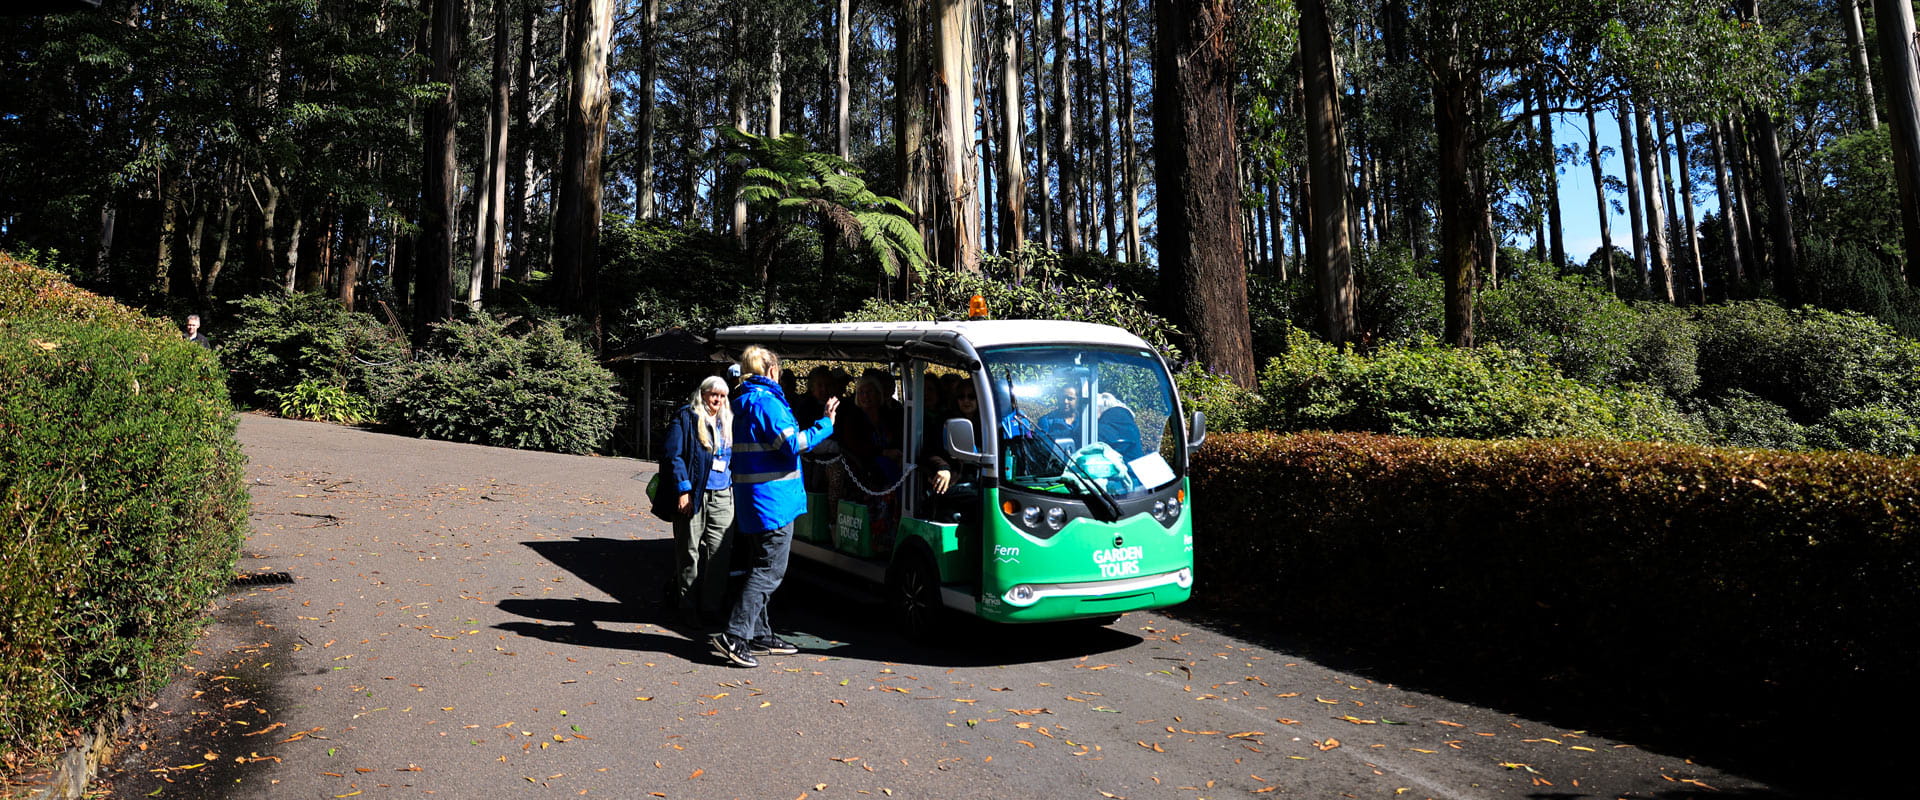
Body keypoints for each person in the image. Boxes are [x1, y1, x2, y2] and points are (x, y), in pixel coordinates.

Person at [712, 345, 837, 668]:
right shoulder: (767, 402)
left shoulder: (741, 401)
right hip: (773, 502)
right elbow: (792, 444)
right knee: (769, 571)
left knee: (759, 565)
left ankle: (759, 633)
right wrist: (826, 424)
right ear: (770, 371)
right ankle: (735, 635)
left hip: (754, 499)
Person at [657, 376, 735, 628]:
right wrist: (683, 490)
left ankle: (711, 606)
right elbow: (673, 455)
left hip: (723, 494)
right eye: (713, 394)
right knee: (689, 551)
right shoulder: (686, 417)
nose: (718, 400)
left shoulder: (729, 420)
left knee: (719, 553)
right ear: (702, 394)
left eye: (722, 396)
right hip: (695, 493)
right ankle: (686, 605)